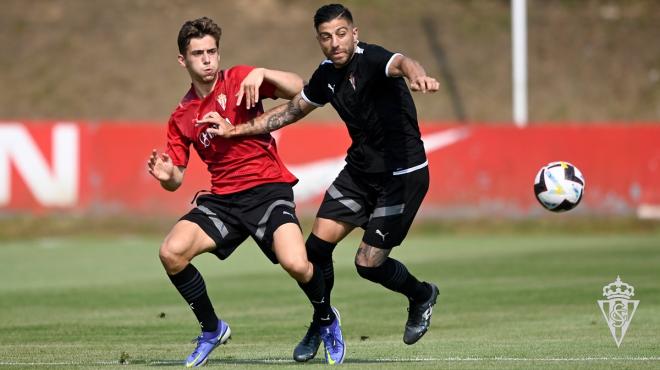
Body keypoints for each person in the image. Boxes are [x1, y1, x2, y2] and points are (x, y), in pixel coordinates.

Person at [198, 3, 441, 363]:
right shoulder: (326, 75)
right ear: (319, 41)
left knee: (368, 265)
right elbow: (290, 111)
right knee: (313, 253)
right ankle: (322, 320)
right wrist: (235, 130)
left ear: (354, 34)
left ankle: (421, 294)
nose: (335, 42)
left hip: (402, 177)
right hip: (359, 174)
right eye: (326, 37)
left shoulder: (373, 60)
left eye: (341, 34)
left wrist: (417, 75)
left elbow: (404, 63)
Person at [147, 17, 344, 367]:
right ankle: (212, 329)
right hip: (224, 201)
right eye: (198, 54)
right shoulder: (181, 116)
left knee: (297, 264)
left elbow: (300, 87)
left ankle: (327, 319)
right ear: (183, 60)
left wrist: (263, 73)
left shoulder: (239, 79)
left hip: (268, 190)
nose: (207, 60)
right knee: (171, 253)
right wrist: (166, 176)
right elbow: (176, 177)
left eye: (212, 52)